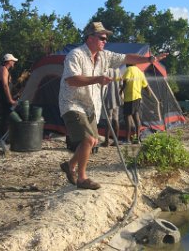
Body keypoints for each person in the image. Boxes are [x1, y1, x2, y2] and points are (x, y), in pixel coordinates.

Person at [59, 21, 168, 190]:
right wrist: (97, 79)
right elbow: (71, 79)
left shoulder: (104, 56)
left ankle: (69, 165)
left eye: (106, 38)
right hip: (73, 103)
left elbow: (128, 58)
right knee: (88, 139)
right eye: (102, 37)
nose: (105, 41)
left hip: (91, 105)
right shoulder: (75, 55)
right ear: (89, 38)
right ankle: (82, 178)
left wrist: (149, 59)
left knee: (93, 140)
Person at [121, 64, 152, 143]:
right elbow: (145, 85)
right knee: (136, 116)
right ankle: (137, 138)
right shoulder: (140, 72)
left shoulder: (129, 69)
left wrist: (121, 91)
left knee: (127, 116)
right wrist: (149, 93)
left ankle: (127, 139)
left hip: (130, 97)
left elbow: (125, 80)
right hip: (138, 97)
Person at [0, 53, 18, 138]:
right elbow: (5, 85)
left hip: (1, 96)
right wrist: (10, 99)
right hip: (4, 97)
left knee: (5, 115)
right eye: (13, 61)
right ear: (9, 61)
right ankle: (4, 137)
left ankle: (3, 135)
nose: (14, 63)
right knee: (7, 116)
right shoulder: (4, 70)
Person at [101, 68, 123, 147]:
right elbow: (121, 84)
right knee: (116, 119)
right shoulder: (118, 70)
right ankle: (116, 141)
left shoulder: (106, 69)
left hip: (108, 97)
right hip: (116, 98)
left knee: (108, 119)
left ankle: (106, 141)